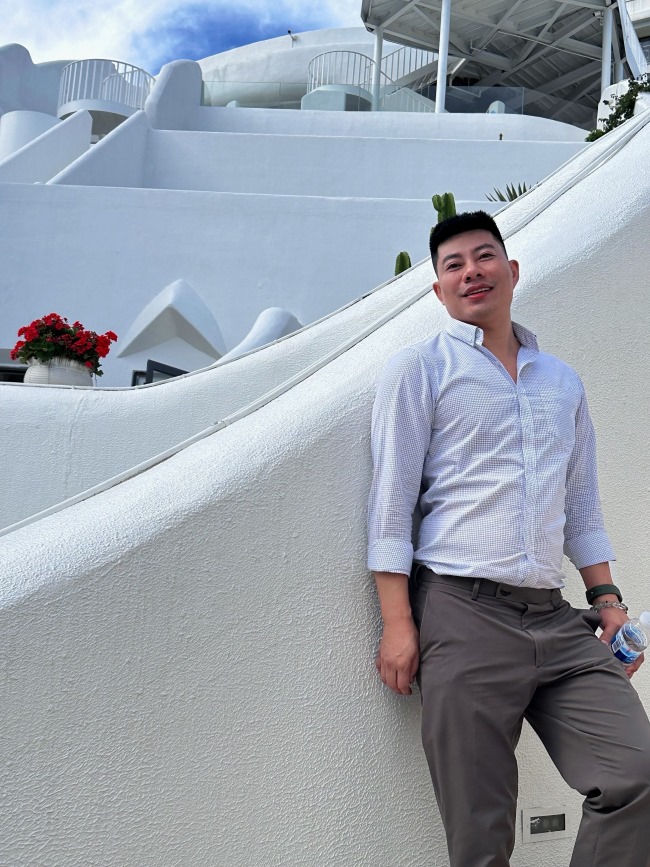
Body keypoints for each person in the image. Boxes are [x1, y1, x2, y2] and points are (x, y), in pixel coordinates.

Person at [367, 211, 650, 867]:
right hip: (461, 614)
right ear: (438, 289)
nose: (472, 271)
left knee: (635, 775)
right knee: (481, 834)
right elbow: (390, 506)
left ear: (512, 270)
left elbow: (581, 504)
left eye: (484, 256)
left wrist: (608, 600)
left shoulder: (561, 381)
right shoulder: (419, 369)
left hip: (555, 620)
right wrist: (397, 621)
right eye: (454, 264)